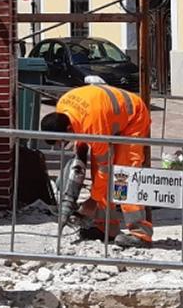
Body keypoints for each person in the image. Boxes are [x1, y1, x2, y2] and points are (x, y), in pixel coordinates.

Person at [40, 84, 154, 248]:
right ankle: (105, 227)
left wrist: (92, 201)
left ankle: (141, 234)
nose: (64, 144)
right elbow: (81, 140)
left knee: (124, 175)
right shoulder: (62, 107)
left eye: (63, 141)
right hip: (105, 115)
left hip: (133, 117)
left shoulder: (94, 127)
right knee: (97, 172)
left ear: (68, 128)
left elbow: (105, 169)